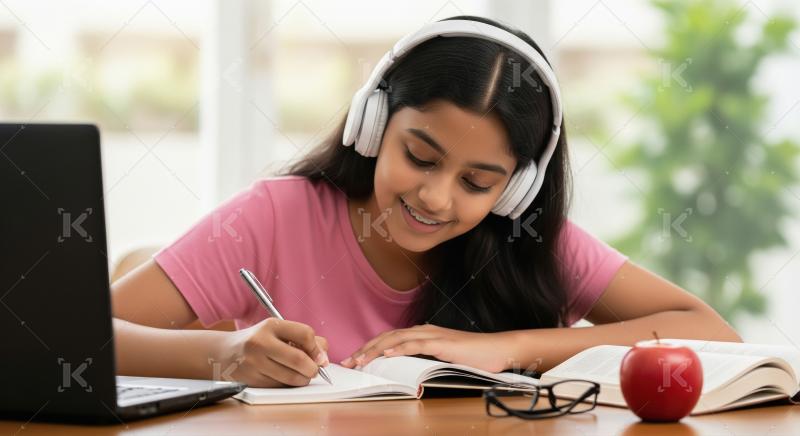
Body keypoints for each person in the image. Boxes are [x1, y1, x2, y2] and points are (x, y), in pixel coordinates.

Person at [111, 15, 741, 388]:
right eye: (420, 156)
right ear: (372, 123)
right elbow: (67, 340)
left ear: (516, 188)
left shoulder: (524, 238)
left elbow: (712, 334)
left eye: (477, 183)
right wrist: (224, 354)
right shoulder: (276, 216)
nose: (435, 197)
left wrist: (510, 348)